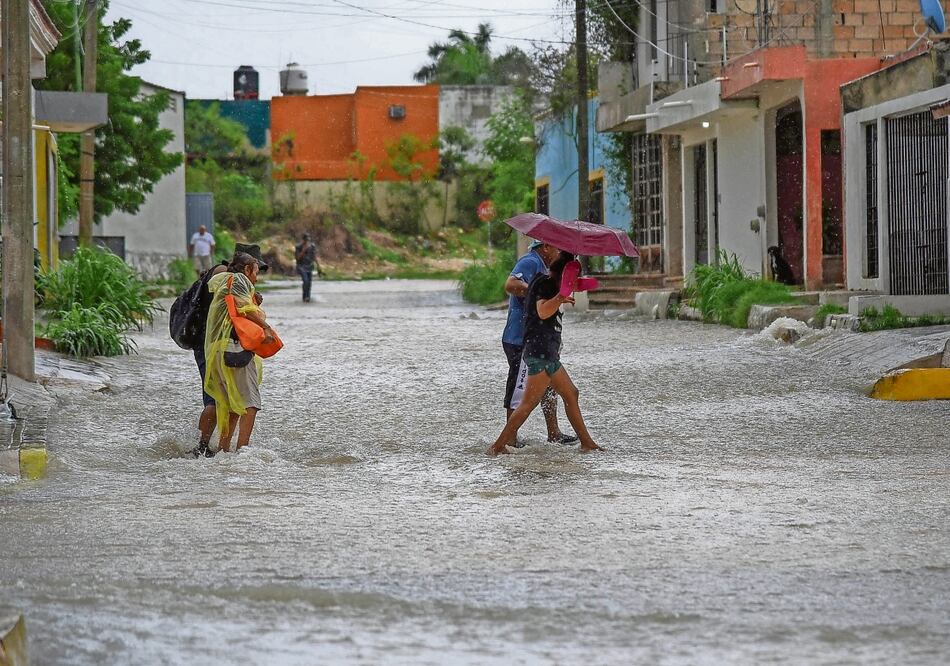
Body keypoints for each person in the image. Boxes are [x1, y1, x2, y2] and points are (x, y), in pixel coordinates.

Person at [489, 251, 602, 456]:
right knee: (527, 404)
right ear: (563, 276)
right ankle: (497, 447)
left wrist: (579, 286)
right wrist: (560, 298)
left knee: (571, 394)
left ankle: (587, 443)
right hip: (539, 354)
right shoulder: (545, 285)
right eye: (572, 278)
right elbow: (542, 311)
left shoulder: (551, 284)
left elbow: (570, 289)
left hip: (548, 353)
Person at [192, 244, 268, 457]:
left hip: (213, 348)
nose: (257, 276)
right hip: (232, 348)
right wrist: (265, 326)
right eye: (256, 270)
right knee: (249, 404)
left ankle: (218, 451)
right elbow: (241, 308)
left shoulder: (219, 278)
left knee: (227, 403)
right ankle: (241, 452)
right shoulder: (238, 280)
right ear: (247, 268)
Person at [502, 240, 577, 446]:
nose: (558, 252)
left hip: (540, 340)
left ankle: (554, 432)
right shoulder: (530, 261)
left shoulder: (545, 270)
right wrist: (536, 292)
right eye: (557, 248)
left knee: (549, 387)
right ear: (545, 247)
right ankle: (508, 439)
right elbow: (510, 285)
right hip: (521, 339)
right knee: (520, 389)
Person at [295, 233, 323, 302]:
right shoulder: (298, 247)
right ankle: (305, 297)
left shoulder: (312, 246)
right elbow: (297, 258)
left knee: (309, 283)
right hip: (301, 266)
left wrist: (319, 266)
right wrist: (304, 250)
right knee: (305, 281)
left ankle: (307, 297)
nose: (307, 242)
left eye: (308, 240)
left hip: (309, 266)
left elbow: (314, 256)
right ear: (303, 240)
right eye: (305, 240)